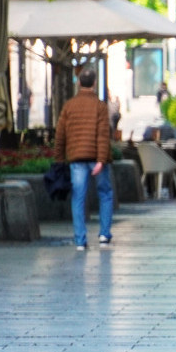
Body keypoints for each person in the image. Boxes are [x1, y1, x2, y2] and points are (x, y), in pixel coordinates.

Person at [54, 68, 114, 252]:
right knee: (105, 193)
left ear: (79, 83)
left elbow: (60, 135)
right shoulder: (100, 106)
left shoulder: (69, 106)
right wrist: (101, 160)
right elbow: (103, 135)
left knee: (78, 198)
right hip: (97, 158)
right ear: (94, 83)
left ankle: (80, 239)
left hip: (76, 159)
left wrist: (59, 159)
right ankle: (104, 234)